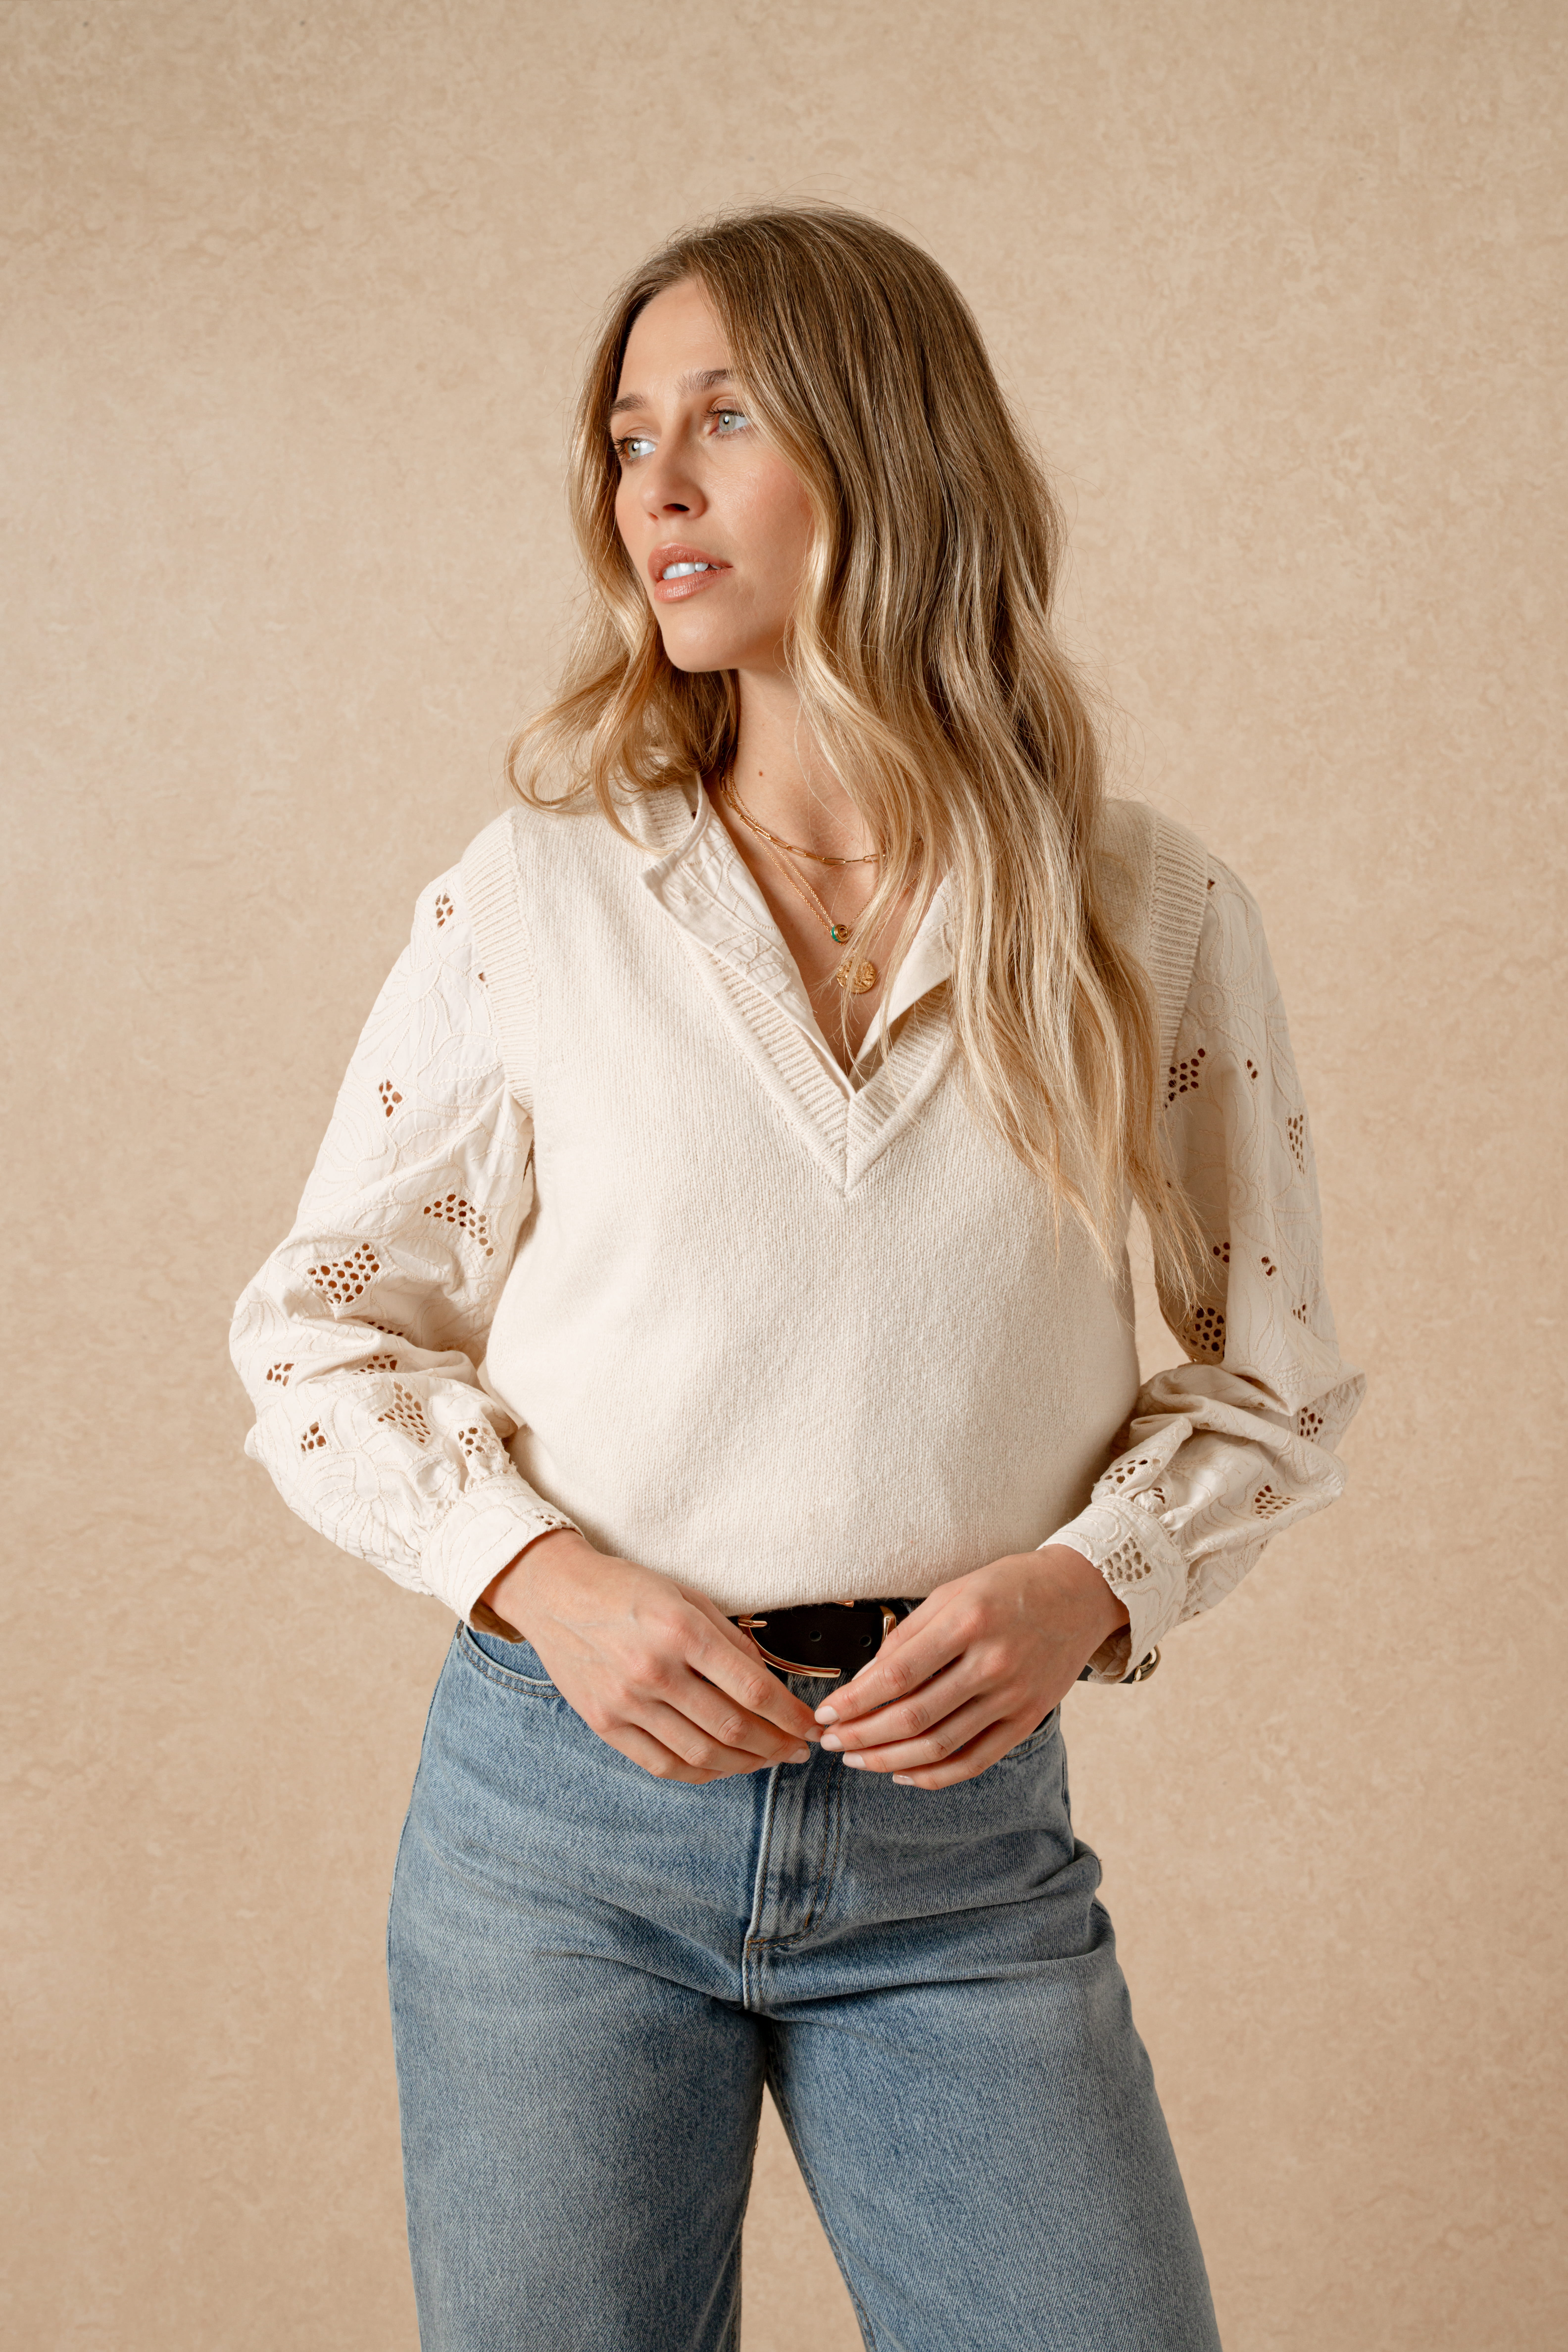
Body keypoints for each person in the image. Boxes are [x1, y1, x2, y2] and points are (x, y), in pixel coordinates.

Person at [230, 204, 1363, 2352]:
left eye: (721, 419)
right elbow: (319, 1332)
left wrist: (1085, 1583)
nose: (648, 483)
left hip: (959, 1862)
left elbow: (1268, 1374)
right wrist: (545, 1581)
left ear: (887, 449)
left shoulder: (1148, 910)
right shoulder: (541, 893)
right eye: (626, 434)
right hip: (559, 1842)